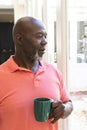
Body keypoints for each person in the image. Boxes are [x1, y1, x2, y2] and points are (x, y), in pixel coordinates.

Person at [0, 16, 73, 130]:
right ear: (19, 39)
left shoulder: (53, 72)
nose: (45, 41)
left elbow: (68, 102)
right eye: (39, 36)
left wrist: (64, 109)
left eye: (45, 36)